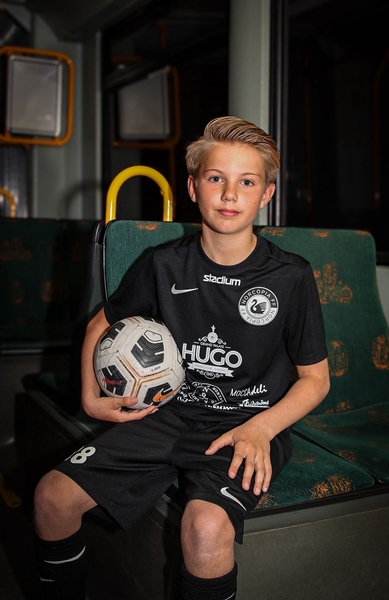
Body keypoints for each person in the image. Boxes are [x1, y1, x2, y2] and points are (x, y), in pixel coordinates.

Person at [33, 116, 330, 600]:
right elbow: (99, 325)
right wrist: (89, 398)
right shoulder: (163, 263)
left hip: (244, 425)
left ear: (267, 195)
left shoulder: (291, 276)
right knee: (51, 497)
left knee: (205, 527)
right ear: (193, 188)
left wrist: (262, 429)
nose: (230, 194)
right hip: (167, 415)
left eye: (247, 182)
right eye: (216, 178)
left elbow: (316, 379)